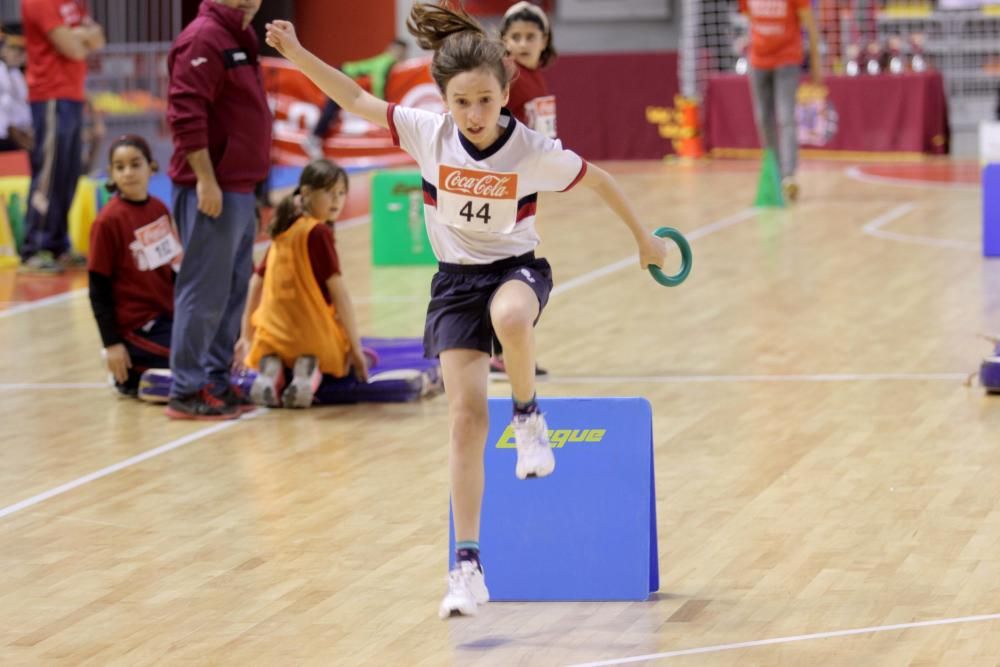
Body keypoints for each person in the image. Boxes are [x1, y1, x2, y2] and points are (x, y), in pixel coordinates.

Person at [265, 2, 667, 619]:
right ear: (443, 101)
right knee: (464, 420)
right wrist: (296, 54)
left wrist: (645, 242)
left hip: (517, 272)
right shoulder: (427, 133)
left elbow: (602, 180)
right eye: (461, 103)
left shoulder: (532, 150)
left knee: (510, 319)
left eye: (485, 100)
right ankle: (469, 568)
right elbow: (353, 97)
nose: (474, 115)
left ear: (506, 93)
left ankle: (530, 418)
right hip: (454, 284)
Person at [165, 0, 272, 420]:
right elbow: (185, 113)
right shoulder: (203, 37)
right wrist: (206, 180)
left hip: (240, 187)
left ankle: (215, 381)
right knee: (204, 292)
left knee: (230, 292)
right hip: (211, 188)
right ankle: (186, 389)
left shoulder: (238, 34)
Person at [234, 158, 369, 408]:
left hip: (271, 337)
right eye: (329, 192)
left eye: (341, 193)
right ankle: (310, 373)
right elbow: (340, 294)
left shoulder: (282, 230)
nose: (337, 200)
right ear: (306, 193)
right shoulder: (319, 232)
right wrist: (356, 348)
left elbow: (255, 283)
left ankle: (274, 370)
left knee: (278, 345)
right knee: (349, 362)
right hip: (312, 338)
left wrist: (246, 336)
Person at [492, 0, 558, 379]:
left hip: (525, 184)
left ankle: (506, 352)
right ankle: (502, 353)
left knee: (513, 265)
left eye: (529, 36)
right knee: (509, 266)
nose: (521, 43)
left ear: (544, 40)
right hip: (505, 184)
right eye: (514, 36)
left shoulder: (535, 76)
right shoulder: (509, 74)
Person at [87, 135, 178, 397]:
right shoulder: (107, 221)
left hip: (166, 317)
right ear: (112, 173)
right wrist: (112, 343)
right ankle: (130, 375)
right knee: (192, 360)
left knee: (211, 348)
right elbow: (98, 288)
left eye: (135, 164)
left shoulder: (160, 209)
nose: (128, 173)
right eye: (120, 167)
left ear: (151, 167)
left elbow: (170, 270)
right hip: (136, 326)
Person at [19, 0, 104, 273]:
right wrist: (82, 37)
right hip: (50, 96)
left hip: (73, 94)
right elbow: (75, 50)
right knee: (49, 173)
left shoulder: (74, 3)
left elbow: (99, 40)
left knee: (68, 174)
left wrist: (82, 38)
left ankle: (57, 244)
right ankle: (35, 247)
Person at [739, 0, 822, 202]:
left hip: (787, 60)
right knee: (763, 118)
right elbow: (750, 19)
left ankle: (788, 176)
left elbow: (810, 25)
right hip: (758, 62)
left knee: (786, 117)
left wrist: (816, 65)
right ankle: (773, 171)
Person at [301, 39, 408, 160]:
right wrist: (383, 105)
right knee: (330, 109)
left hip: (345, 78)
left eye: (403, 53)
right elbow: (378, 82)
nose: (401, 56)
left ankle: (314, 137)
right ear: (391, 49)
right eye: (400, 52)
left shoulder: (387, 61)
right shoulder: (386, 61)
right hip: (343, 75)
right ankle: (313, 138)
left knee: (333, 110)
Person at [0, 22, 33, 153]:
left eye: (23, 50)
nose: (19, 54)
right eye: (14, 48)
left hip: (15, 134)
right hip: (9, 135)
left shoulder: (14, 73)